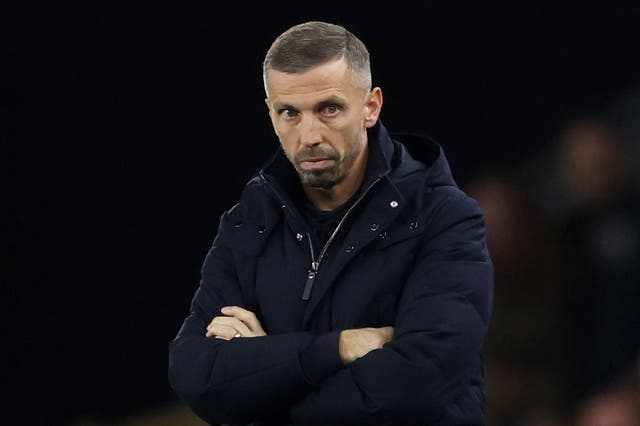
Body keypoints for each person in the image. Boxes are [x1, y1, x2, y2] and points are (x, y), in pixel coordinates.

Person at [168, 21, 494, 425]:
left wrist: (267, 373)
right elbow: (196, 375)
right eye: (290, 113)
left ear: (371, 107)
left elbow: (418, 382)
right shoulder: (249, 222)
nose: (309, 135)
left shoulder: (443, 218)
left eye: (329, 109)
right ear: (270, 114)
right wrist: (337, 349)